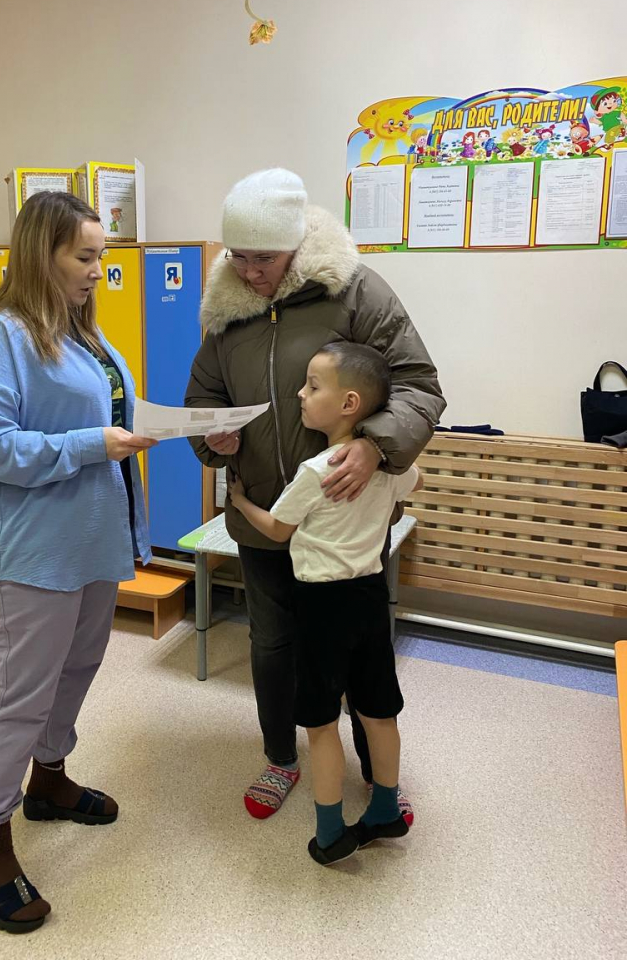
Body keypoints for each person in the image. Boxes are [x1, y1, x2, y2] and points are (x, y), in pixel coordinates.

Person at [185, 168, 445, 822]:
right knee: (272, 644)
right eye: (239, 257)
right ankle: (281, 758)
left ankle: (376, 771)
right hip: (263, 517)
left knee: (355, 647)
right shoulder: (225, 311)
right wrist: (211, 438)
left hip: (345, 517)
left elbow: (418, 384)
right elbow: (203, 399)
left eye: (264, 258)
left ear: (296, 246)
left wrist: (375, 445)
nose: (250, 272)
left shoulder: (355, 289)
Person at [0, 192, 156, 933]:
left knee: (76, 669)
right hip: (35, 549)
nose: (99, 270)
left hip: (93, 540)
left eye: (101, 255)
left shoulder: (85, 336)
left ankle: (48, 778)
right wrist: (91, 445)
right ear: (42, 254)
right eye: (85, 256)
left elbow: (102, 419)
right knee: (22, 691)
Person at [230, 342, 423, 866]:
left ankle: (331, 832)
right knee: (378, 711)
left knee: (320, 724)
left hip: (321, 605)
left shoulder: (317, 470)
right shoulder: (384, 464)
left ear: (348, 403)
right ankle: (385, 809)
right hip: (370, 595)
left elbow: (277, 528)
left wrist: (241, 500)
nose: (300, 393)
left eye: (313, 385)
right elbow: (417, 480)